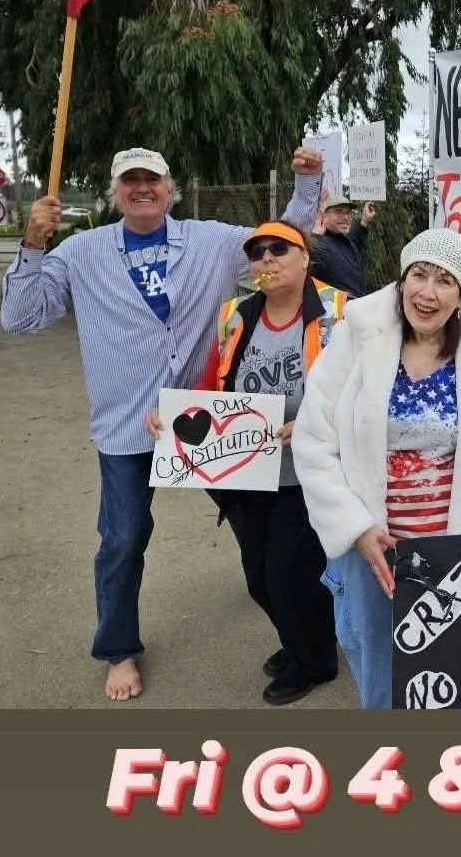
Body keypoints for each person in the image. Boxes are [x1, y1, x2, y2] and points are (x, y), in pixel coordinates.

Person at [0, 145, 325, 702]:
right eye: (130, 180)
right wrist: (32, 242)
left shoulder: (211, 242)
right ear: (115, 192)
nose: (142, 187)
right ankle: (118, 649)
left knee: (260, 540)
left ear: (170, 188)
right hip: (126, 426)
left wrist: (308, 184)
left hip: (208, 424)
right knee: (124, 538)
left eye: (153, 178)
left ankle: (305, 640)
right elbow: (19, 315)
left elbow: (283, 238)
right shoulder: (81, 252)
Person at [290, 226, 461, 709]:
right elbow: (314, 441)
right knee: (379, 670)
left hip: (455, 554)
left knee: (447, 673)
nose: (427, 292)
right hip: (375, 549)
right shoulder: (357, 342)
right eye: (418, 275)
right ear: (401, 280)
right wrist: (355, 528)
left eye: (445, 281)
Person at [146, 219, 348, 705]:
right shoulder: (236, 315)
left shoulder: (341, 314)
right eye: (257, 253)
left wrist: (315, 426)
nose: (267, 259)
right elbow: (213, 381)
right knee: (259, 578)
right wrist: (171, 415)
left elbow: (365, 393)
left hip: (307, 473)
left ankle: (315, 661)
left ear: (306, 258)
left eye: (280, 248)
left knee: (289, 575)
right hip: (245, 470)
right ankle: (299, 640)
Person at [308, 194, 376, 297]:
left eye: (348, 212)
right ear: (324, 215)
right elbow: (310, 271)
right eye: (339, 211)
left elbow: (356, 242)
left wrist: (364, 221)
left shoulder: (343, 241)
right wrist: (316, 239)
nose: (345, 217)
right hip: (335, 310)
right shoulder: (319, 244)